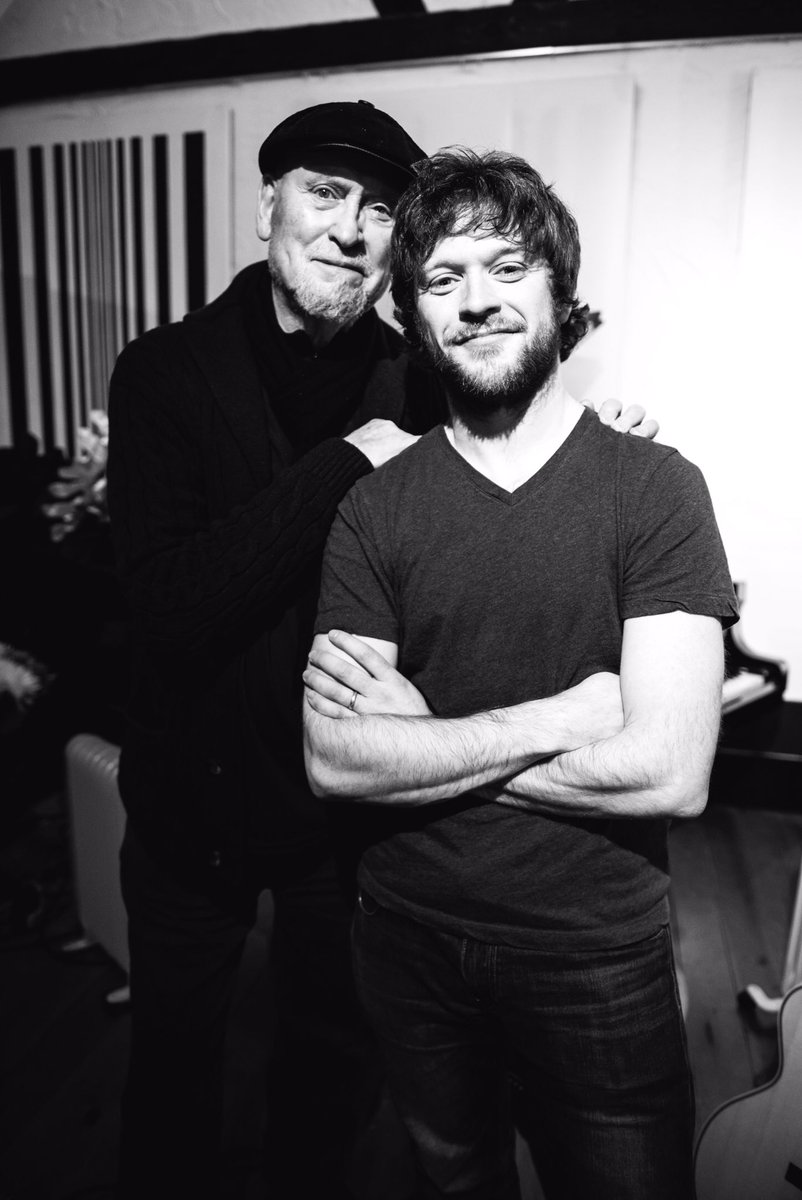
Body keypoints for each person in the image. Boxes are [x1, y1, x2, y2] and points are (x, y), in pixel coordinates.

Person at [106, 99, 657, 1199]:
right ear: (267, 206)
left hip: (342, 816)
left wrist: (596, 451)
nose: (349, 229)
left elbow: (506, 454)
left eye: (378, 210)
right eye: (324, 193)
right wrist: (345, 461)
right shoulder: (163, 372)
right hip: (190, 807)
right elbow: (170, 609)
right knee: (171, 1073)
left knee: (331, 1065)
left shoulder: (415, 375)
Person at [303, 148, 738, 1200]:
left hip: (593, 951)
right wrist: (568, 717)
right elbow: (335, 762)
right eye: (443, 280)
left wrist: (424, 740)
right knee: (455, 1174)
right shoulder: (374, 507)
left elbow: (671, 773)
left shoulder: (655, 489)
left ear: (559, 293)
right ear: (413, 318)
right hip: (404, 938)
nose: (477, 301)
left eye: (506, 268)